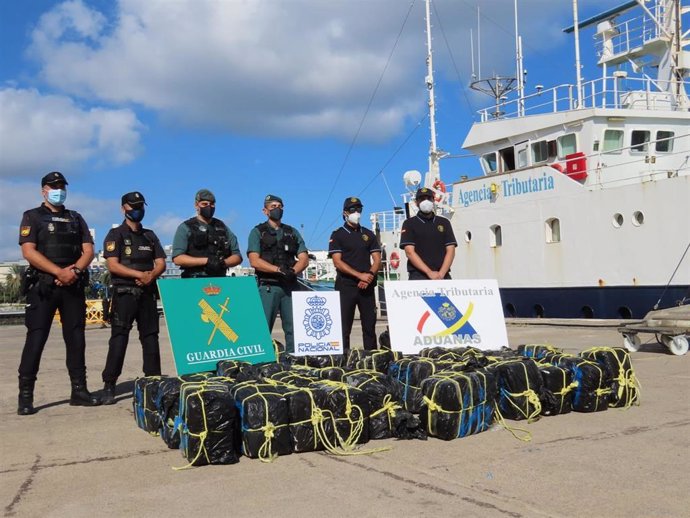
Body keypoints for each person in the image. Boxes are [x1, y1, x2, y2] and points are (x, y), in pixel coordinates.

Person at [17, 171, 100, 415]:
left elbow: (88, 250)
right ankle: (25, 396)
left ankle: (79, 391)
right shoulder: (32, 216)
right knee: (36, 339)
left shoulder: (75, 218)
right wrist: (58, 272)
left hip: (72, 286)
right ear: (43, 190)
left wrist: (73, 271)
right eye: (53, 186)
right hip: (44, 287)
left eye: (61, 186)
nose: (58, 190)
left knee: (76, 339)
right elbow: (29, 252)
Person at [100, 192, 166, 405]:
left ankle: (153, 380)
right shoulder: (115, 234)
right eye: (133, 206)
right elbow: (113, 264)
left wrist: (151, 276)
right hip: (124, 294)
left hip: (147, 293)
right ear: (123, 209)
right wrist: (140, 275)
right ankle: (109, 384)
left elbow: (161, 263)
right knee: (119, 339)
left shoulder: (150, 235)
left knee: (151, 337)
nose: (137, 210)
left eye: (140, 206)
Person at [247, 194, 309, 353]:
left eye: (279, 206)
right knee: (263, 328)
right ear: (265, 210)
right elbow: (254, 260)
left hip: (289, 286)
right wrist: (277, 270)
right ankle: (262, 362)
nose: (277, 209)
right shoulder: (258, 232)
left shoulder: (291, 232)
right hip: (269, 286)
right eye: (272, 206)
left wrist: (293, 271)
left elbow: (304, 258)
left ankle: (294, 361)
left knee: (294, 329)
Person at [328, 197, 381, 353]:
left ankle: (371, 358)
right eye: (352, 210)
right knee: (344, 327)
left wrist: (369, 275)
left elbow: (377, 259)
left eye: (359, 210)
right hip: (346, 286)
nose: (356, 213)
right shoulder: (337, 235)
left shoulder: (368, 234)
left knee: (370, 327)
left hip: (367, 286)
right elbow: (337, 262)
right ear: (345, 213)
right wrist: (360, 276)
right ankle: (344, 360)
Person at [172, 189, 242, 277]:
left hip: (219, 279)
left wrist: (222, 263)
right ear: (196, 205)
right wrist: (207, 261)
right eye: (204, 204)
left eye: (212, 204)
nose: (209, 207)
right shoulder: (185, 228)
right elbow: (178, 258)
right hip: (193, 279)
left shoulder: (223, 227)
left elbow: (237, 256)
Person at [400, 187, 457, 280]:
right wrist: (429, 272)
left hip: (443, 276)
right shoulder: (409, 223)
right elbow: (409, 252)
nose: (426, 201)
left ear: (433, 200)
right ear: (416, 202)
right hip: (418, 276)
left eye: (429, 198)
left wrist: (441, 273)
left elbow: (451, 250)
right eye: (422, 199)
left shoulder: (444, 222)